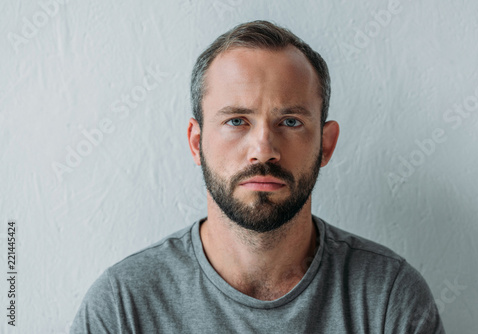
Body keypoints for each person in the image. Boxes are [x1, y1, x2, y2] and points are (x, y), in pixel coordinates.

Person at [70, 20, 445, 333]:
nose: (263, 149)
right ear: (196, 142)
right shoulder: (123, 307)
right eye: (236, 121)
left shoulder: (389, 299)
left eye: (290, 121)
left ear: (325, 145)